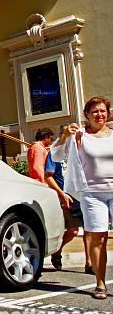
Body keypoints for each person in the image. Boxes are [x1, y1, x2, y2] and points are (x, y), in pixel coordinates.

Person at [51, 96, 113, 299]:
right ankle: (100, 283)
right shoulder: (79, 135)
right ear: (87, 114)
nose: (99, 115)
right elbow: (57, 156)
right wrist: (63, 137)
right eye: (95, 111)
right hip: (91, 193)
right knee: (98, 236)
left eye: (103, 111)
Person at [46, 125, 92, 273]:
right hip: (65, 197)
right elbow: (48, 176)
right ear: (62, 134)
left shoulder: (79, 150)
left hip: (81, 194)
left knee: (89, 230)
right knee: (72, 231)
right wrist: (61, 193)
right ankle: (57, 251)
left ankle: (89, 263)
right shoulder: (54, 152)